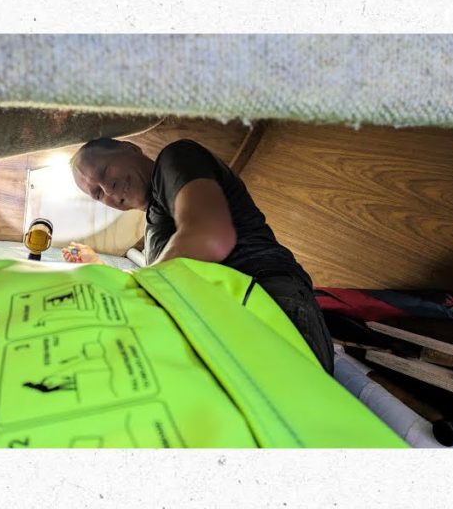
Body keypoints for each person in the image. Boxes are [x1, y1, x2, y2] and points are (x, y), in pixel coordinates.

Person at [63, 138, 334, 373]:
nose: (108, 191)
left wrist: (134, 288)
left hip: (262, 296)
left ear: (130, 148)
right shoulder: (152, 226)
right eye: (97, 193)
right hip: (218, 319)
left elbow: (210, 236)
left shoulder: (177, 157)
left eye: (104, 170)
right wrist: (99, 266)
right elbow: (163, 275)